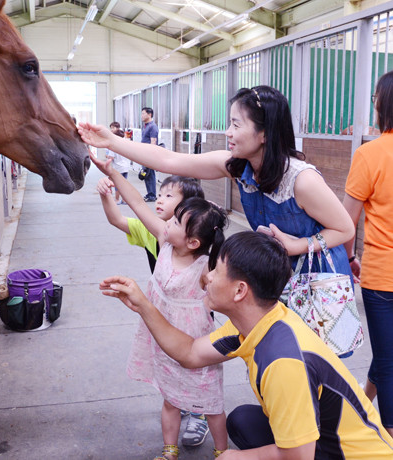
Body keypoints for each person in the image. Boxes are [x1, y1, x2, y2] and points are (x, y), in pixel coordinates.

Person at [101, 231, 393, 459]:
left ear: (240, 290)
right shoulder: (258, 321)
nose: (207, 277)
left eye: (216, 270)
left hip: (350, 455)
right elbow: (189, 353)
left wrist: (237, 457)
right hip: (323, 441)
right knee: (242, 421)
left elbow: (299, 456)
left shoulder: (283, 360)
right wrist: (144, 305)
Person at [78, 85, 355, 286]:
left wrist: (299, 245)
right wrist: (112, 141)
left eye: (236, 124)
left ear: (264, 133)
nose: (227, 132)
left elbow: (345, 229)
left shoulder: (301, 180)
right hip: (277, 277)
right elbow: (168, 160)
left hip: (319, 283)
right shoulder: (238, 167)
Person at [92, 154, 229, 459]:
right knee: (170, 398)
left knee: (211, 404)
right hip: (161, 336)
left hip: (195, 342)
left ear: (193, 242)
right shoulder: (163, 240)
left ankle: (223, 452)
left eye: (177, 221)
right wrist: (112, 173)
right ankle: (170, 450)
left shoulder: (206, 267)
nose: (169, 222)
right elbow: (137, 204)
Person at [342, 69, 393, 437]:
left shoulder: (369, 154)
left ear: (381, 105)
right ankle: (361, 405)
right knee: (388, 354)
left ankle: (388, 437)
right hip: (381, 277)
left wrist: (349, 258)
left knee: (389, 361)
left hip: (381, 276)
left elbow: (347, 223)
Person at [106, 123, 130, 204]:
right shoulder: (126, 144)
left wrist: (107, 156)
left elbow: (111, 157)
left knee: (117, 184)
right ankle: (124, 200)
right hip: (126, 167)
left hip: (118, 168)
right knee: (124, 184)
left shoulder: (113, 146)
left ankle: (116, 199)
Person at [141, 107, 159, 202]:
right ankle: (149, 193)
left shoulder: (153, 127)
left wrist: (151, 157)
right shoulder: (146, 126)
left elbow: (153, 142)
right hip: (144, 154)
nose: (141, 116)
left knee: (150, 174)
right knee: (146, 174)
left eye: (143, 114)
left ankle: (152, 195)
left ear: (149, 114)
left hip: (149, 155)